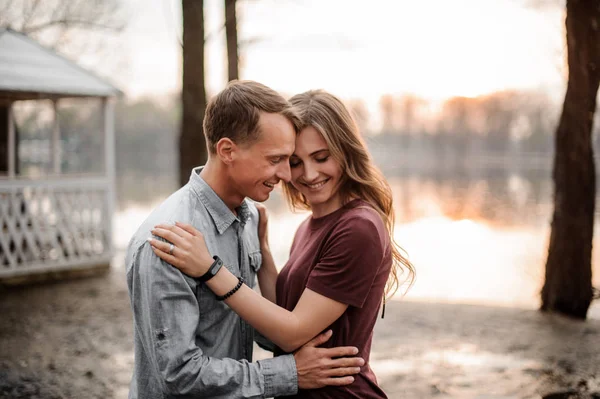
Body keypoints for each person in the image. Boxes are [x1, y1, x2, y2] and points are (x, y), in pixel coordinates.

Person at [150, 89, 415, 398]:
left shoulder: (359, 227)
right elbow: (283, 313)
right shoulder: (309, 226)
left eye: (321, 157)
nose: (309, 174)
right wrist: (263, 253)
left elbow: (292, 334)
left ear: (346, 151)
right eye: (294, 161)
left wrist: (210, 270)